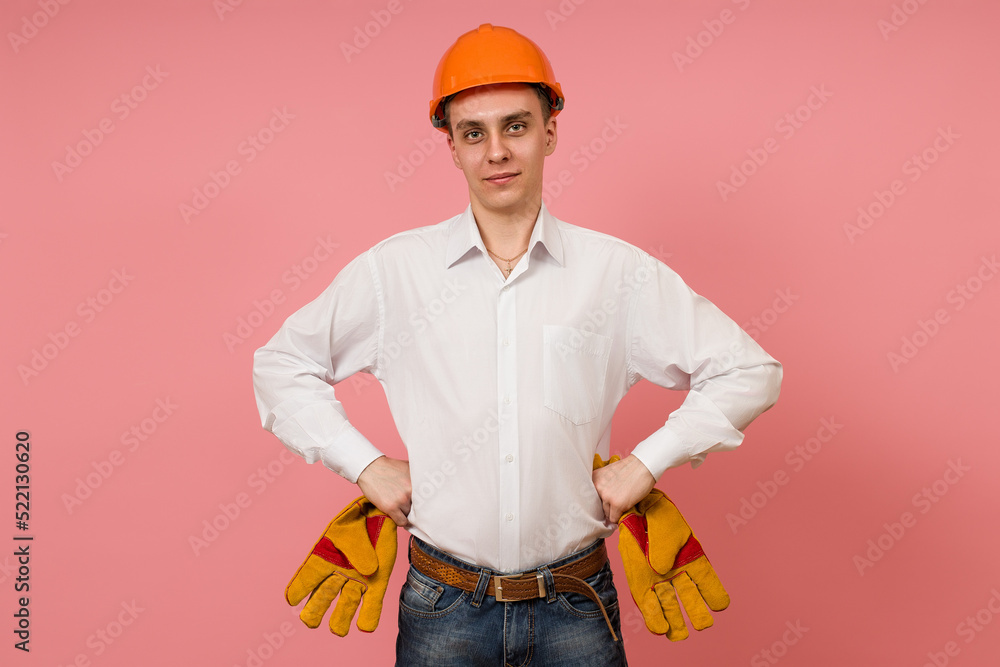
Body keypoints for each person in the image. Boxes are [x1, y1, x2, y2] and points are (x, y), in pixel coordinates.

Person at [252, 23, 782, 666]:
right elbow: (282, 365)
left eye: (516, 126)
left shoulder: (616, 275)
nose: (496, 151)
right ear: (451, 147)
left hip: (575, 605)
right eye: (473, 133)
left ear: (550, 132)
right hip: (442, 608)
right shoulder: (395, 274)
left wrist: (647, 462)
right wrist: (365, 465)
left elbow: (749, 371)